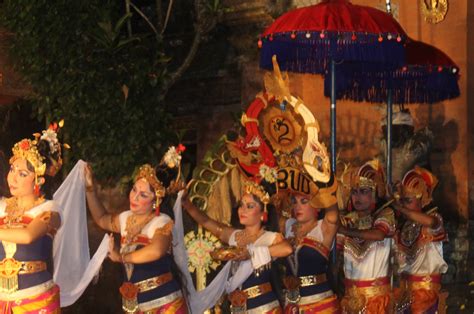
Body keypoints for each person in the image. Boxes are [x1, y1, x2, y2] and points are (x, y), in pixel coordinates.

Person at [85, 161, 188, 313]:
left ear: (156, 201)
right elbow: (101, 218)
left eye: (143, 195)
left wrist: (121, 257)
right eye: (134, 190)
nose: (135, 197)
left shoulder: (161, 221)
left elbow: (156, 250)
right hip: (136, 306)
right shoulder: (126, 218)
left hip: (165, 305)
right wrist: (89, 188)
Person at [181, 179, 293, 313]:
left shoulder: (271, 238)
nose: (242, 210)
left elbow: (287, 249)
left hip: (264, 307)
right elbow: (205, 221)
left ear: (263, 213)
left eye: (250, 206)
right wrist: (186, 203)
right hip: (238, 307)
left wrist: (251, 253)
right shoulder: (234, 235)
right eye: (241, 205)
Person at [0, 125, 64, 312]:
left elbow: (28, 236)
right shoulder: (2, 205)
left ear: (39, 180)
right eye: (12, 170)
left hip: (36, 299)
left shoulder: (50, 210)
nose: (13, 178)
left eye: (22, 174)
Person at [337, 160, 396, 314]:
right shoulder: (347, 220)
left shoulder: (385, 215)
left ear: (376, 194)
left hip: (377, 302)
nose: (357, 197)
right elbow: (335, 254)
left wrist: (345, 231)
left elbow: (379, 234)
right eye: (354, 192)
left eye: (364, 191)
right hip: (350, 301)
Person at [393, 167, 447, 314]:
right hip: (404, 296)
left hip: (426, 298)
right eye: (402, 201)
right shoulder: (403, 227)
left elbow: (431, 222)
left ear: (423, 200)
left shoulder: (434, 220)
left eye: (408, 201)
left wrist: (401, 209)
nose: (404, 205)